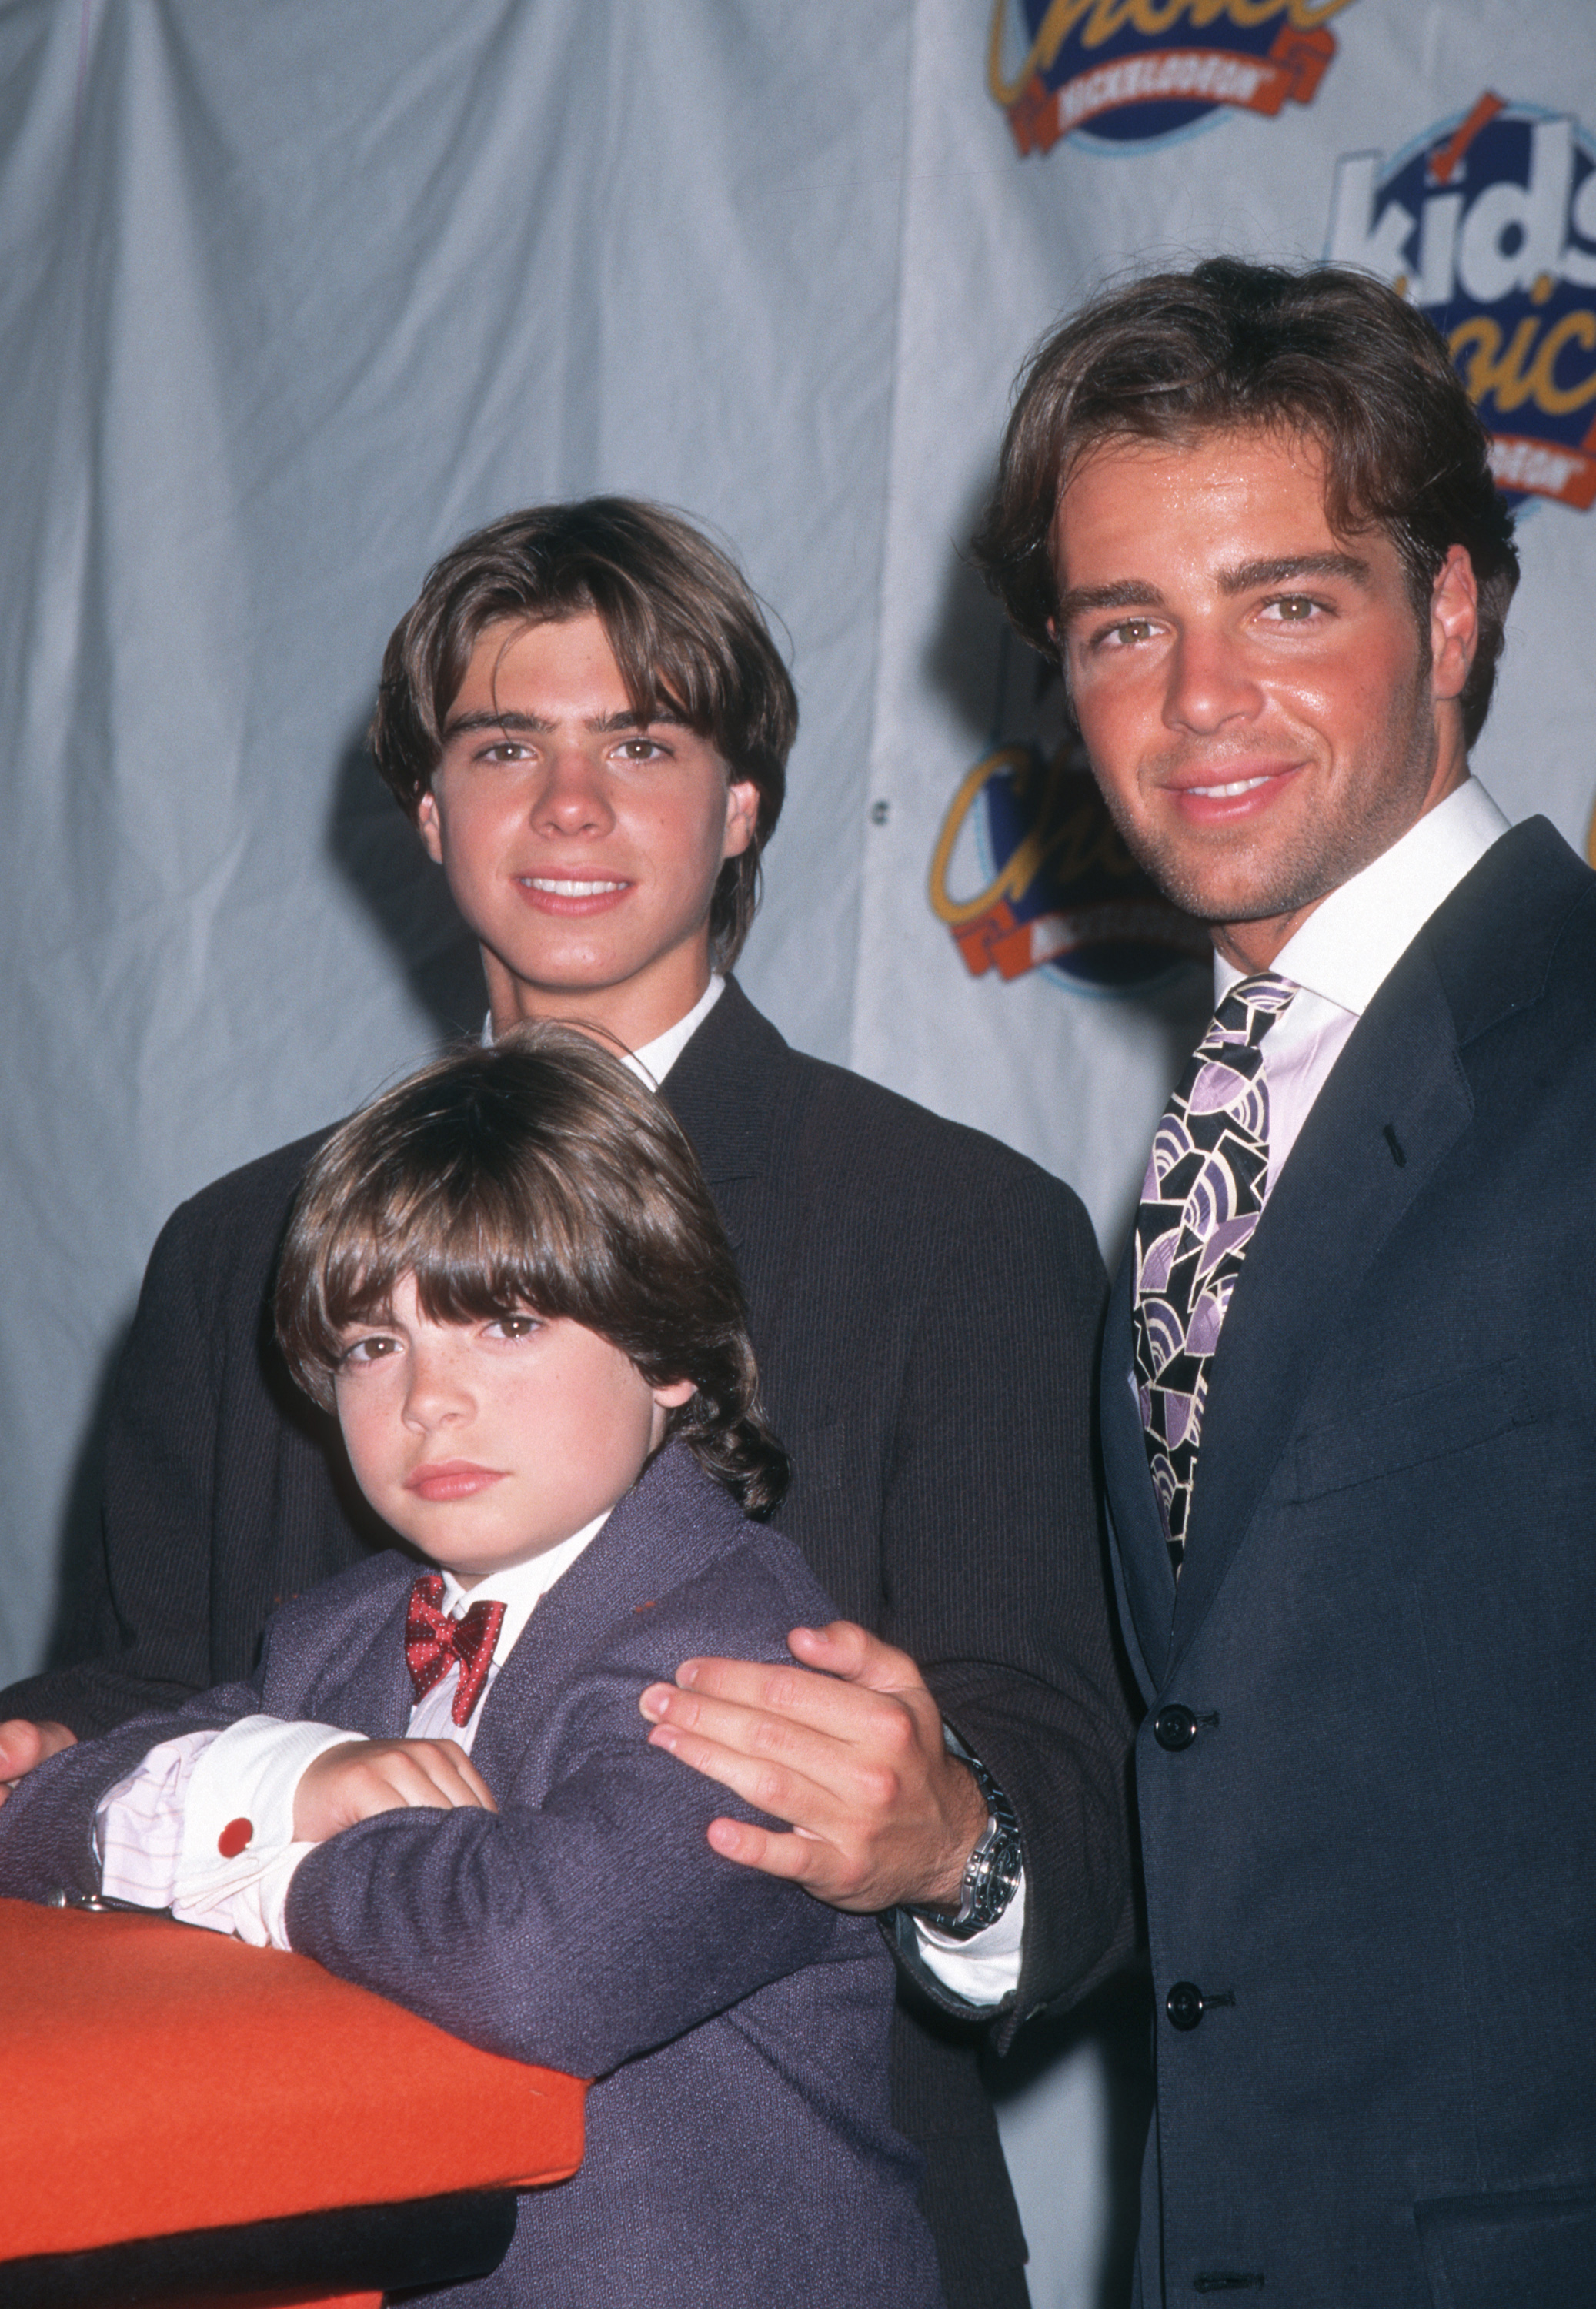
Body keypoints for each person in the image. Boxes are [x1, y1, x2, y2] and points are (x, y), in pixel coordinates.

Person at [0, 498, 1135, 2309]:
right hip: (287, 2221)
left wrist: (953, 1840)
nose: (574, 805)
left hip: (784, 2234)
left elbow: (1061, 1770)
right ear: (429, 810)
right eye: (504, 743)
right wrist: (49, 1764)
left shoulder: (958, 1227)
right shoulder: (239, 1247)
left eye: (645, 741)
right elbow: (159, 1668)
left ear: (742, 805)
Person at [974, 253, 1596, 2305]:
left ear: (1449, 611)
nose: (1199, 701)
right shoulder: (1221, 1125)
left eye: (1289, 603)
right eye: (1124, 626)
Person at [0, 1027, 945, 2309]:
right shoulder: (336, 1631)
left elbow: (539, 1959)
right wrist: (289, 1780)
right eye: (370, 1346)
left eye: (502, 1320)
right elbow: (32, 1818)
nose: (427, 1399)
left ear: (668, 1353)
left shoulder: (754, 1647)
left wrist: (266, 1850)